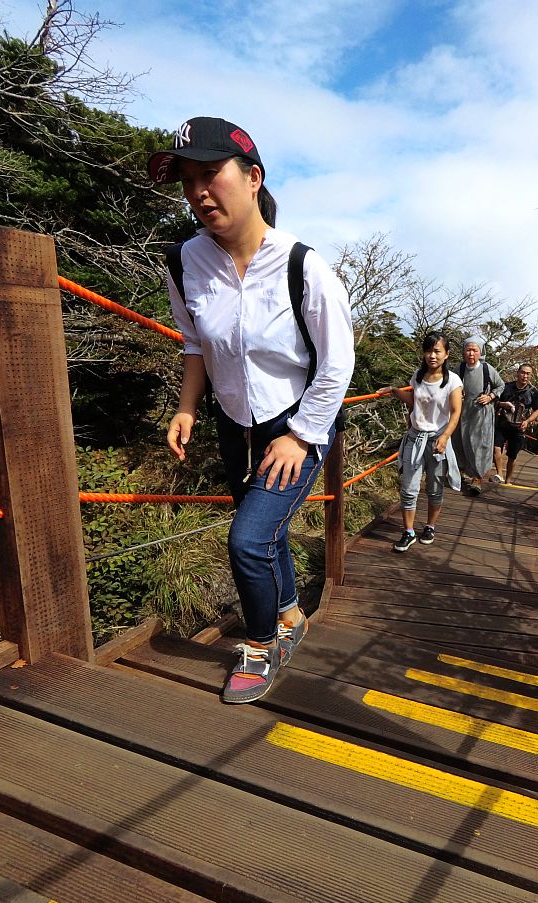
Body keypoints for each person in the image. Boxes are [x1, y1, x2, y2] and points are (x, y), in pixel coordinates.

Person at [150, 117, 355, 704]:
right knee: (267, 536)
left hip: (297, 422)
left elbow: (338, 364)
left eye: (210, 174)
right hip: (232, 424)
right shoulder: (183, 262)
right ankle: (290, 615)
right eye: (187, 180)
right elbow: (195, 342)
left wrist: (300, 436)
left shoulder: (304, 267)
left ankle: (263, 646)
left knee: (247, 541)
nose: (198, 192)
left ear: (252, 176)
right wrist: (187, 406)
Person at [380, 332, 463, 552]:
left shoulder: (453, 380)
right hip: (415, 438)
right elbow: (416, 402)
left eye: (437, 351)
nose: (432, 356)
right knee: (409, 487)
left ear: (446, 354)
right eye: (428, 351)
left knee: (434, 488)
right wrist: (395, 391)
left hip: (438, 440)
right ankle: (408, 532)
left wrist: (445, 437)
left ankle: (430, 526)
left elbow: (455, 413)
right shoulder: (418, 376)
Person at [451, 334, 503, 496]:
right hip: (462, 412)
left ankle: (477, 478)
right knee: (459, 441)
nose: (471, 354)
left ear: (480, 352)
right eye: (468, 350)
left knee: (480, 444)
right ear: (463, 352)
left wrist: (490, 396)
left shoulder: (487, 369)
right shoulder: (458, 369)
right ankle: (459, 472)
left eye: (475, 350)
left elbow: (500, 386)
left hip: (482, 414)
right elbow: (449, 386)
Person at [491, 363, 538, 485]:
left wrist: (528, 421)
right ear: (517, 373)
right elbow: (495, 402)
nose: (525, 376)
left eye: (528, 373)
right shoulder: (506, 387)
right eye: (523, 372)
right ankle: (500, 474)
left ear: (531, 375)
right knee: (496, 448)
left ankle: (508, 481)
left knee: (512, 455)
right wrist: (504, 404)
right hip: (502, 424)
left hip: (519, 426)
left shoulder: (533, 392)